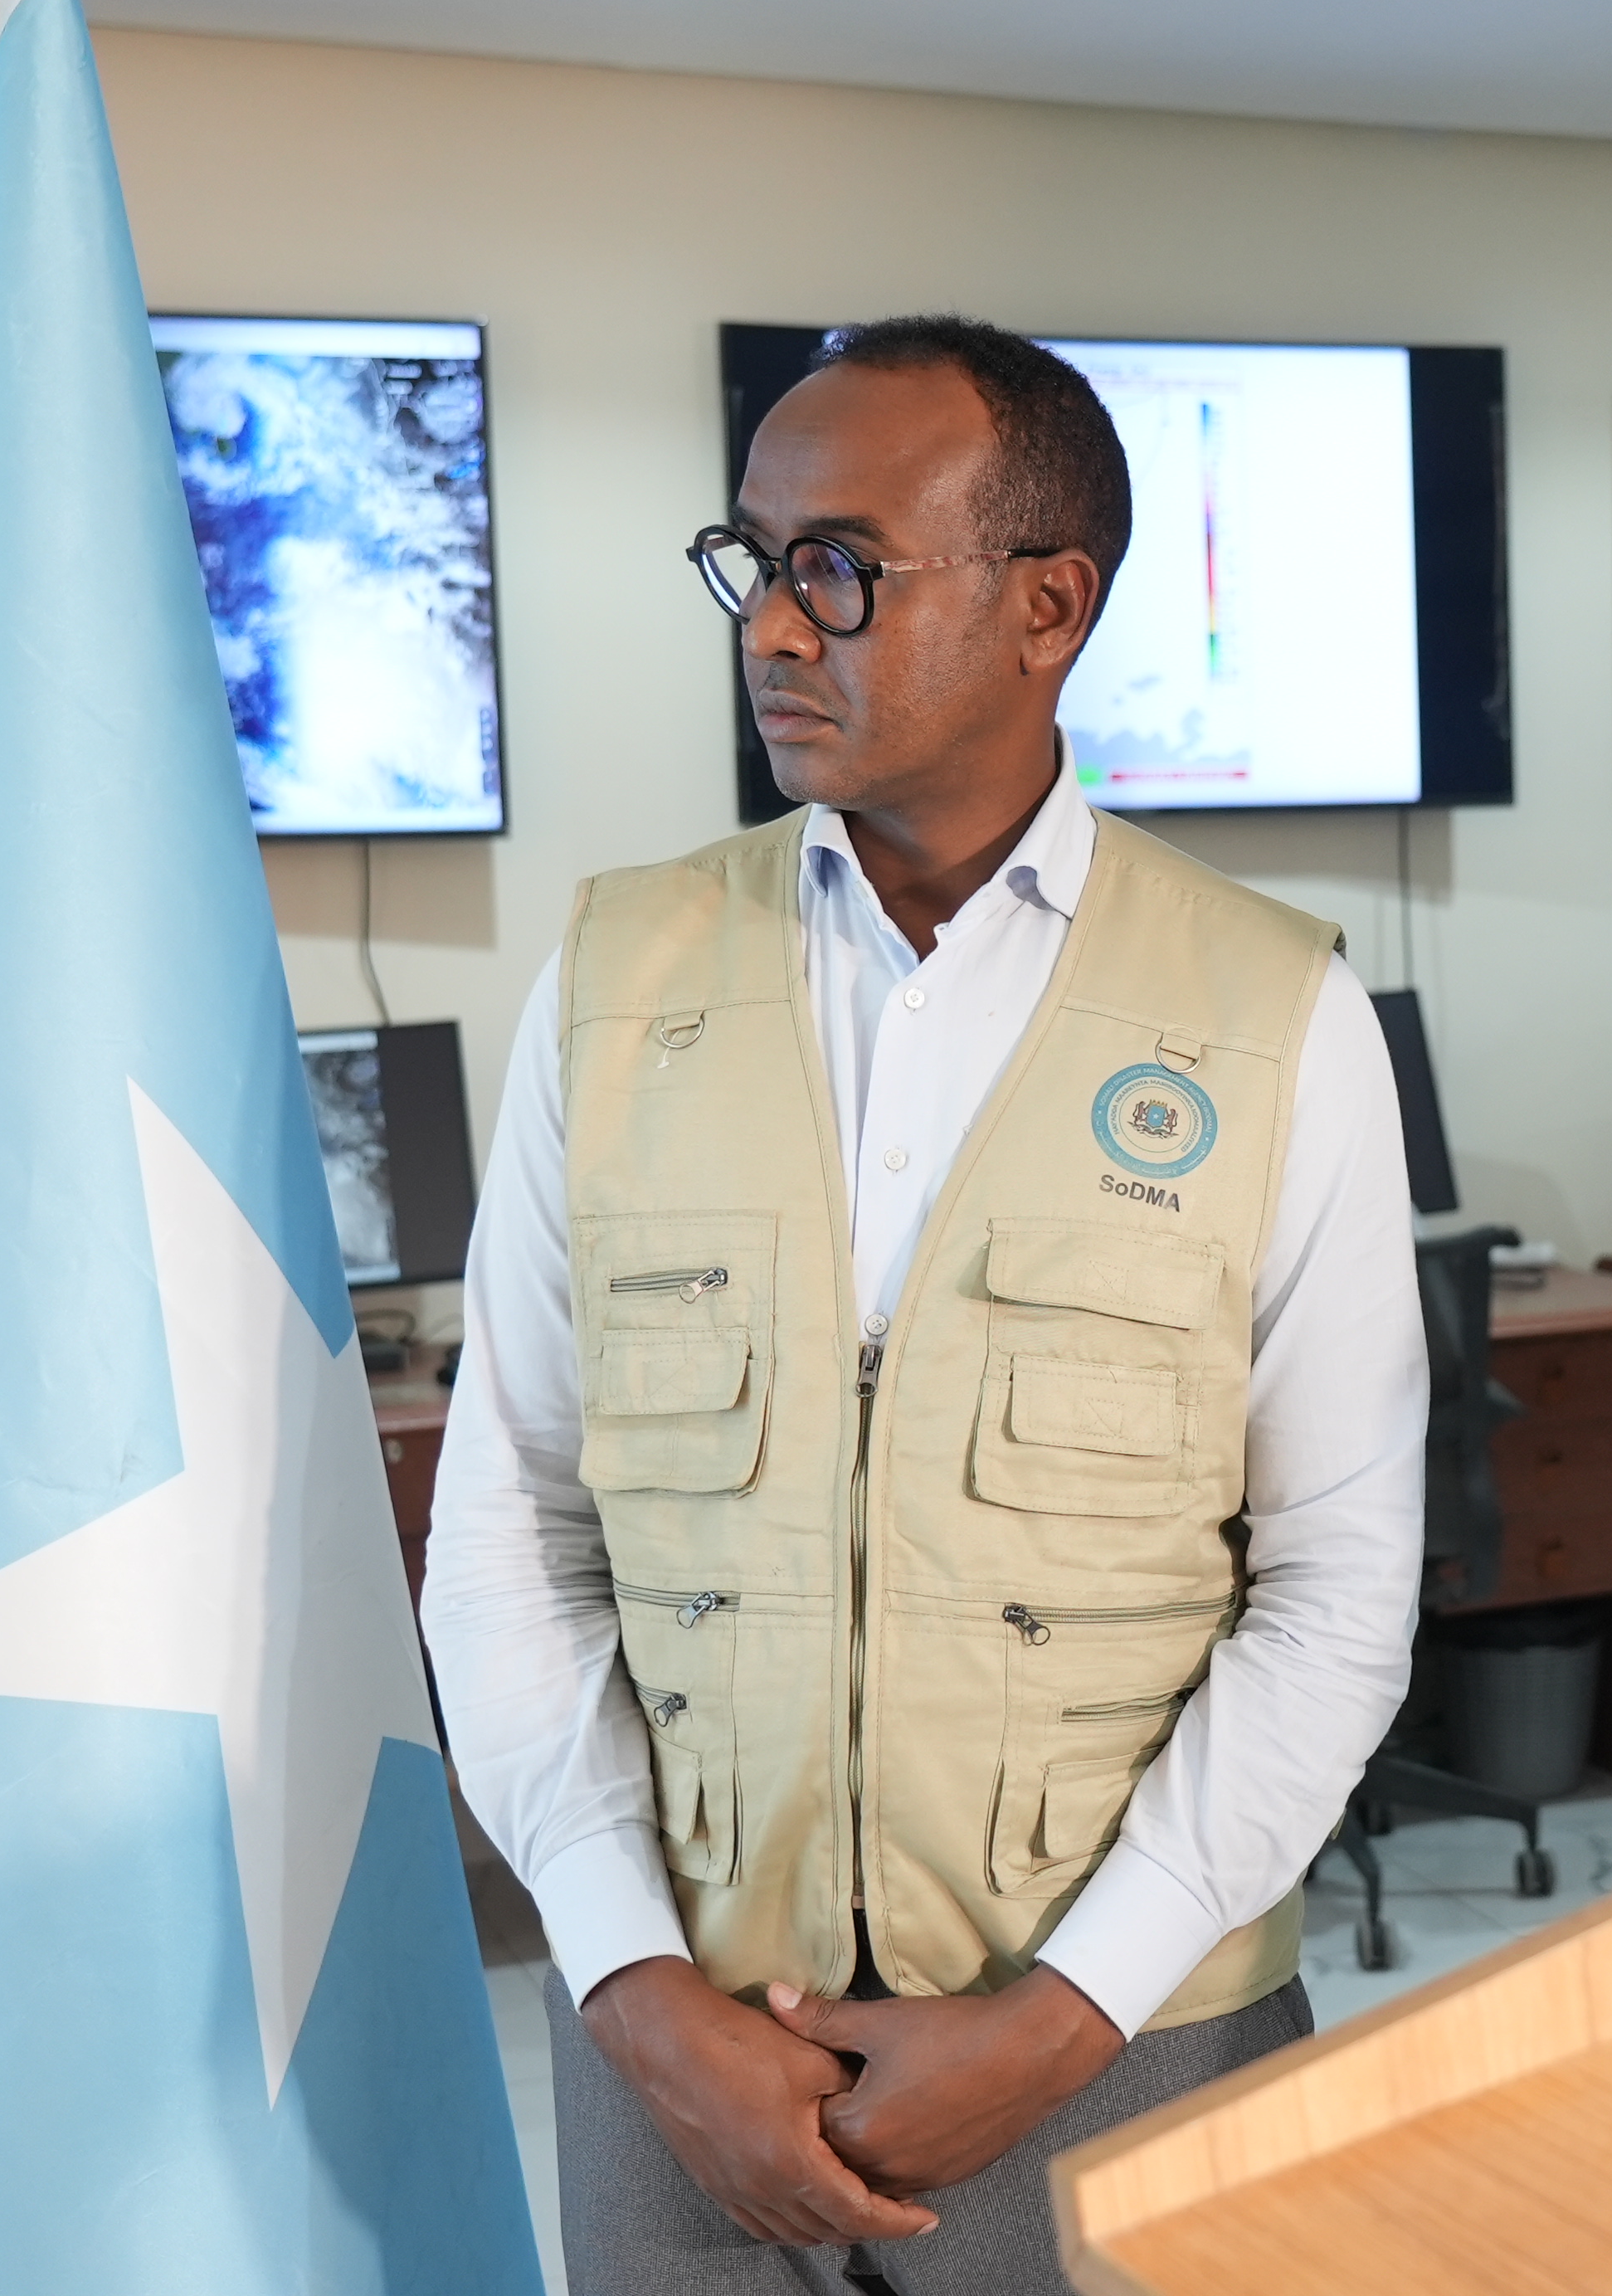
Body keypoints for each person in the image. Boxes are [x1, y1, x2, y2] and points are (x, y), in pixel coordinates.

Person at [420, 315, 1428, 2293]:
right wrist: (629, 1983)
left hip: (1127, 2034)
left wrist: (1069, 2011)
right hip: (693, 2051)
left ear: (1047, 605)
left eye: (840, 570)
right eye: (752, 562)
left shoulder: (1270, 1013)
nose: (771, 628)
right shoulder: (618, 982)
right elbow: (511, 1531)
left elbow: (1336, 1581)